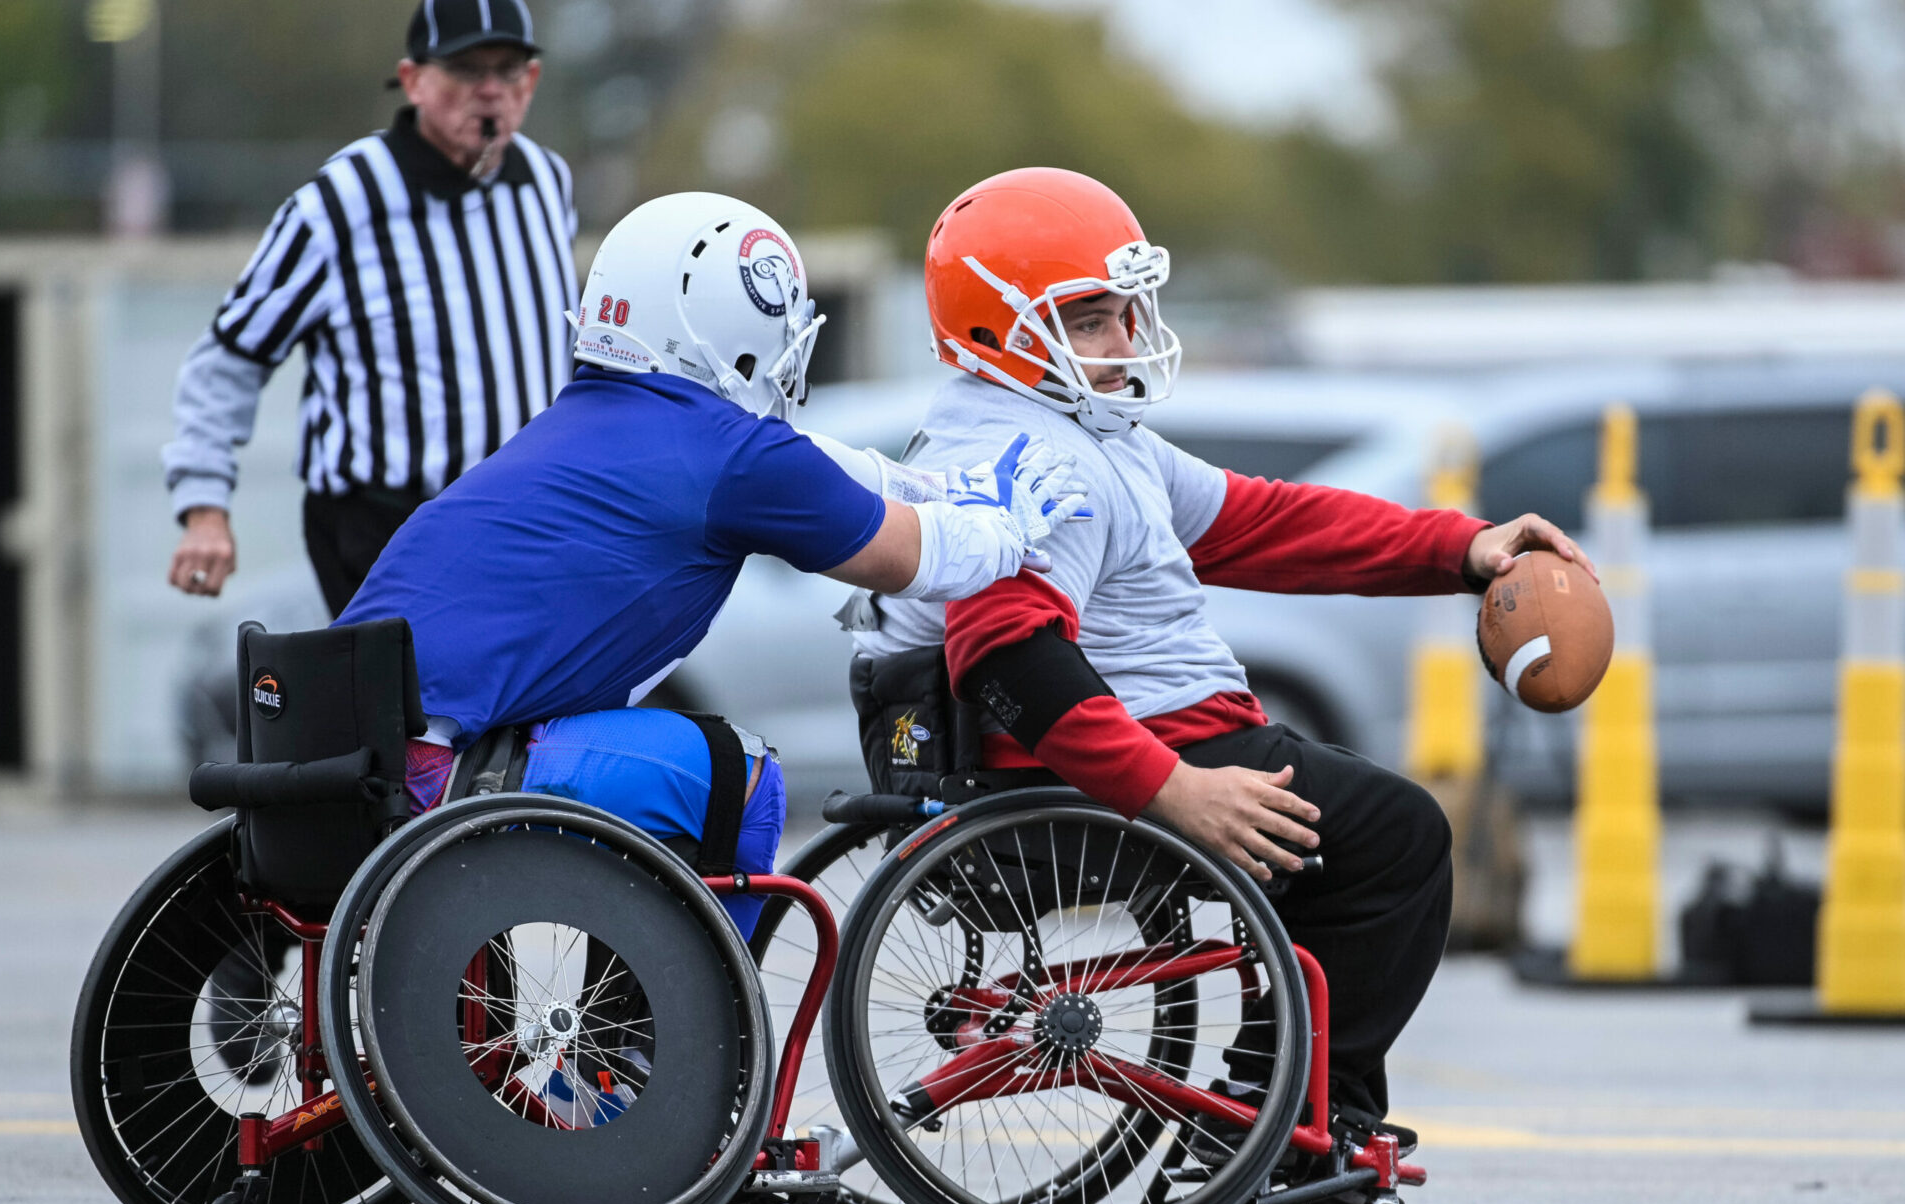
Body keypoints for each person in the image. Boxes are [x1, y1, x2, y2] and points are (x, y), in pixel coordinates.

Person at [847, 167, 1596, 1149]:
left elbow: (1261, 521)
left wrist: (1457, 547)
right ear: (1000, 333)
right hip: (1116, 771)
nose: (1125, 338)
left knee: (1357, 823)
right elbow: (1008, 656)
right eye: (1090, 318)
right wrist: (1172, 790)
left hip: (1150, 748)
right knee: (1396, 839)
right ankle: (1294, 1112)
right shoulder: (1041, 464)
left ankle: (1270, 1095)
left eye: (1128, 307)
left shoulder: (1068, 428)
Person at [337, 191, 1088, 943]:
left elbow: (838, 467)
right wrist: (1004, 529)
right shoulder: (731, 455)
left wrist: (945, 492)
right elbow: (914, 562)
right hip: (441, 775)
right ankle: (662, 1049)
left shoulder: (585, 419)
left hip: (340, 746)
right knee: (740, 772)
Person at [163, 0, 575, 615]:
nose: (489, 91)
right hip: (390, 531)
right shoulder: (341, 203)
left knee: (543, 707)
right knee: (416, 711)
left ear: (532, 80)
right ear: (413, 80)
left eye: (508, 69)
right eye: (466, 69)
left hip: (527, 527)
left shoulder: (547, 182)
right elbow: (229, 359)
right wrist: (205, 510)